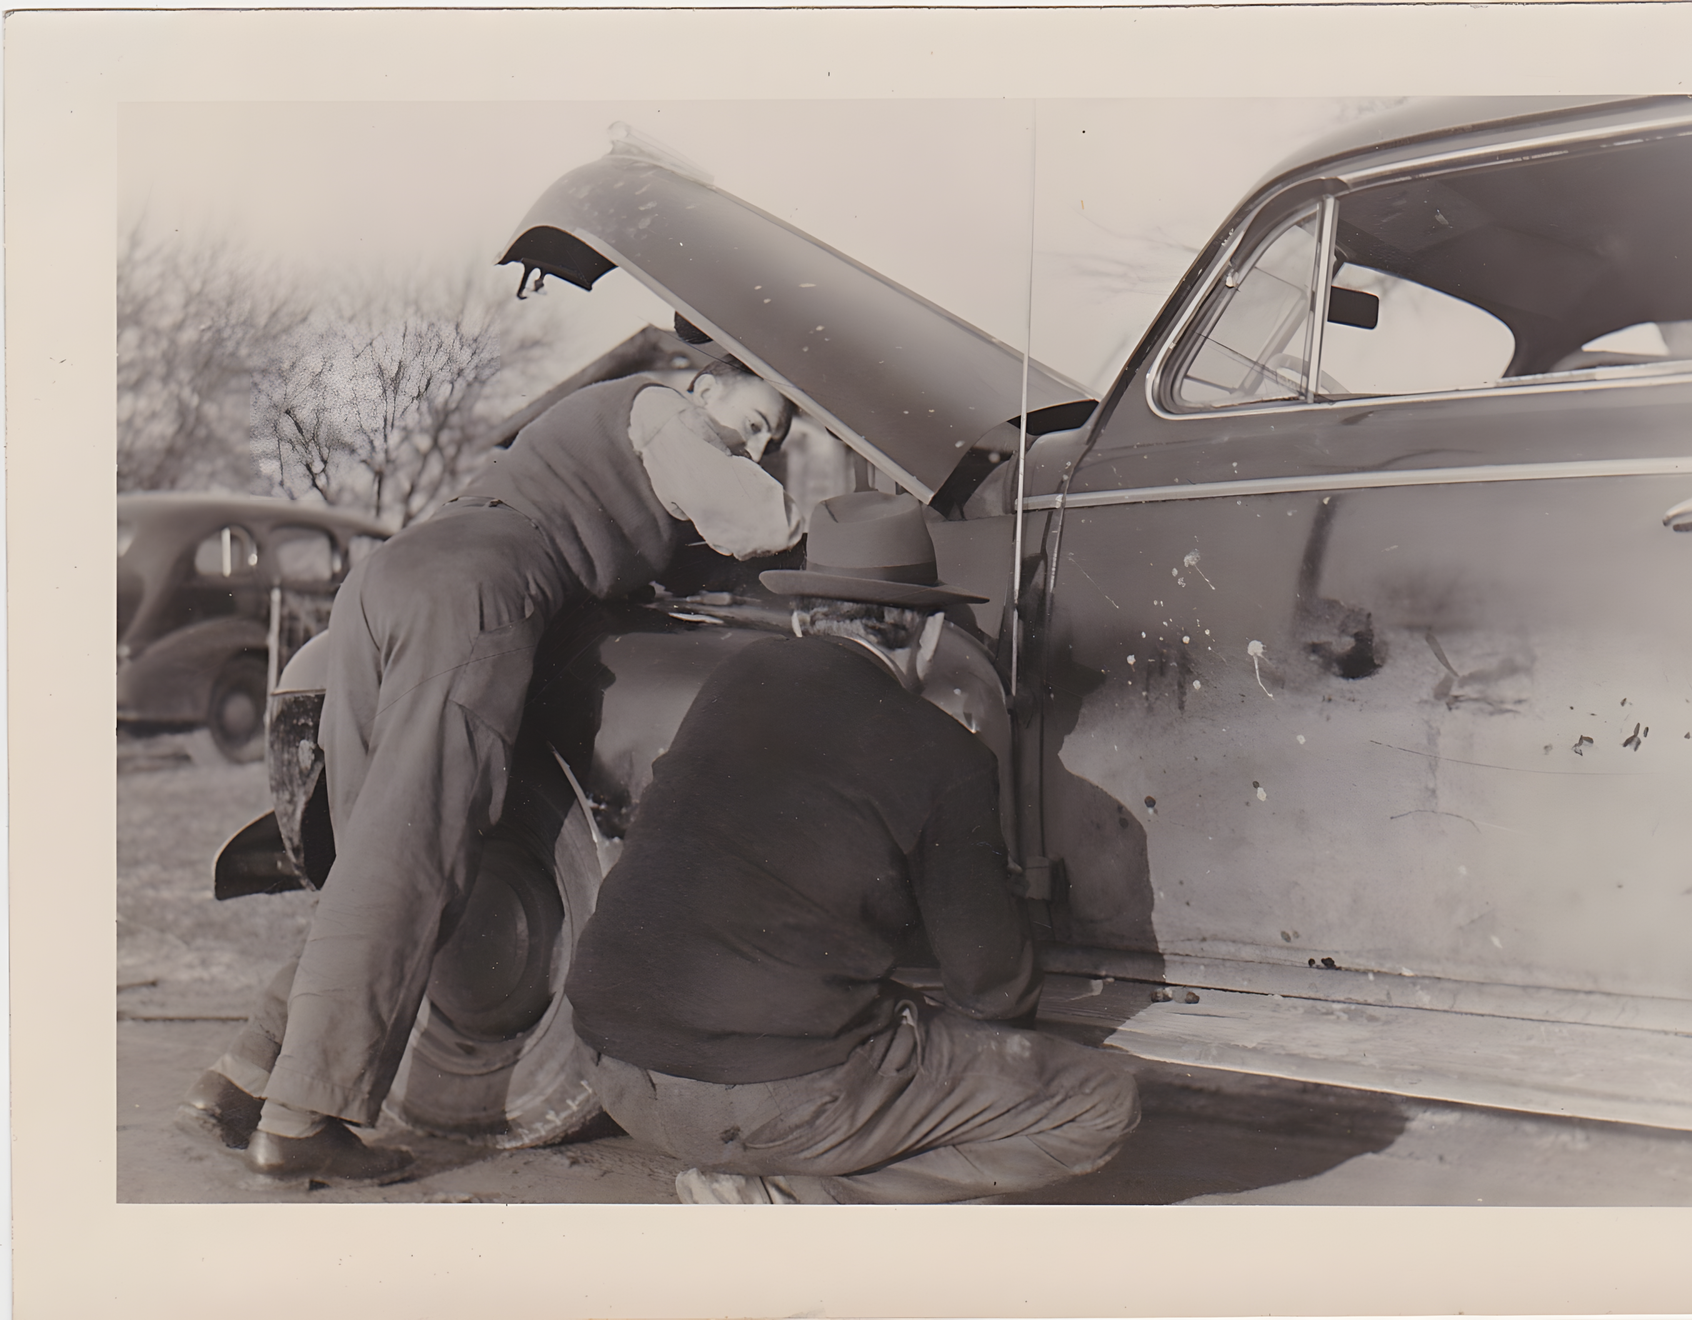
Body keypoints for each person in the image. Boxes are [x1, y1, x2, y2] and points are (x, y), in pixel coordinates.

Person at [179, 355, 800, 1184]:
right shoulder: (662, 410)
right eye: (754, 423)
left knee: (376, 859)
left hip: (390, 584)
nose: (754, 448)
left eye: (771, 442)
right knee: (414, 863)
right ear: (703, 386)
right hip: (478, 596)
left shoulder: (599, 432)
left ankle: (248, 1077)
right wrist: (836, 529)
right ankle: (300, 1125)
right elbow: (748, 516)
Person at [565, 491, 1140, 1204]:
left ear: (805, 621)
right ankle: (803, 1201)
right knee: (1102, 1101)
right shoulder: (946, 755)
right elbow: (990, 987)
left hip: (615, 1067)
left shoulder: (732, 683)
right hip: (768, 1100)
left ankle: (750, 1170)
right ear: (929, 637)